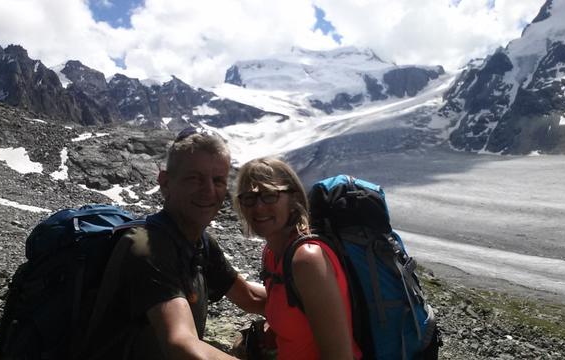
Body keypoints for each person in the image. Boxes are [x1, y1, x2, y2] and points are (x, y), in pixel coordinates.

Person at [81, 127, 266, 360]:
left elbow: (250, 297)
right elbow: (180, 343)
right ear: (165, 183)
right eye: (194, 178)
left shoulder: (200, 243)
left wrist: (311, 299)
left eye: (218, 180)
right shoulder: (145, 246)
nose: (209, 191)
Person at [233, 157, 362, 360]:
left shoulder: (307, 260)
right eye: (249, 198)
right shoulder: (272, 253)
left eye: (269, 195)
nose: (258, 207)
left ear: (293, 199)